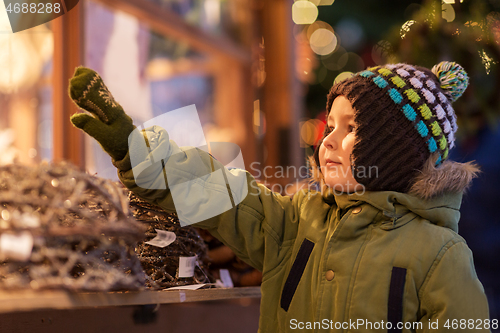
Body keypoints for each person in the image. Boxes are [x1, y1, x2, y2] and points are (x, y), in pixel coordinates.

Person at [68, 61, 492, 332]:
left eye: (352, 129)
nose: (328, 141)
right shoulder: (297, 220)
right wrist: (138, 150)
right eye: (330, 125)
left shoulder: (439, 253)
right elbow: (219, 193)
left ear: (398, 153)